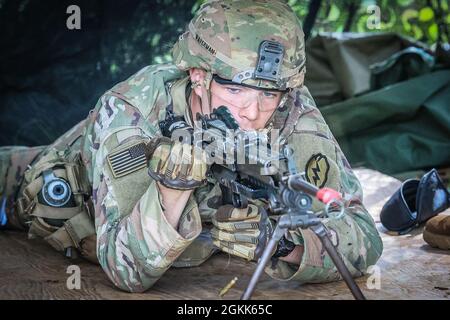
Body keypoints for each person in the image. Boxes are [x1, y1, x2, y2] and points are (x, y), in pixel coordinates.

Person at [0, 0, 383, 293]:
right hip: (26, 184)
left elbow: (363, 237)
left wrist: (284, 244)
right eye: (234, 90)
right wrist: (170, 192)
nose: (253, 112)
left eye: (269, 94)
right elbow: (126, 268)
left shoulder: (289, 108)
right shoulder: (135, 110)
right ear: (198, 76)